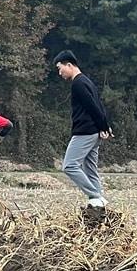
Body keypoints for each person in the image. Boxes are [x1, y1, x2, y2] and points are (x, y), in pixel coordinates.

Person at [53, 50, 112, 210]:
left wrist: (103, 126)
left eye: (60, 68)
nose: (59, 72)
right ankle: (98, 207)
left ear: (69, 65)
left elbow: (92, 106)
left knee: (69, 165)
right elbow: (98, 104)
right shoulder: (87, 81)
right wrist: (104, 126)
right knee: (90, 168)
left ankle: (96, 196)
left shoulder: (78, 83)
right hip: (94, 131)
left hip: (85, 131)